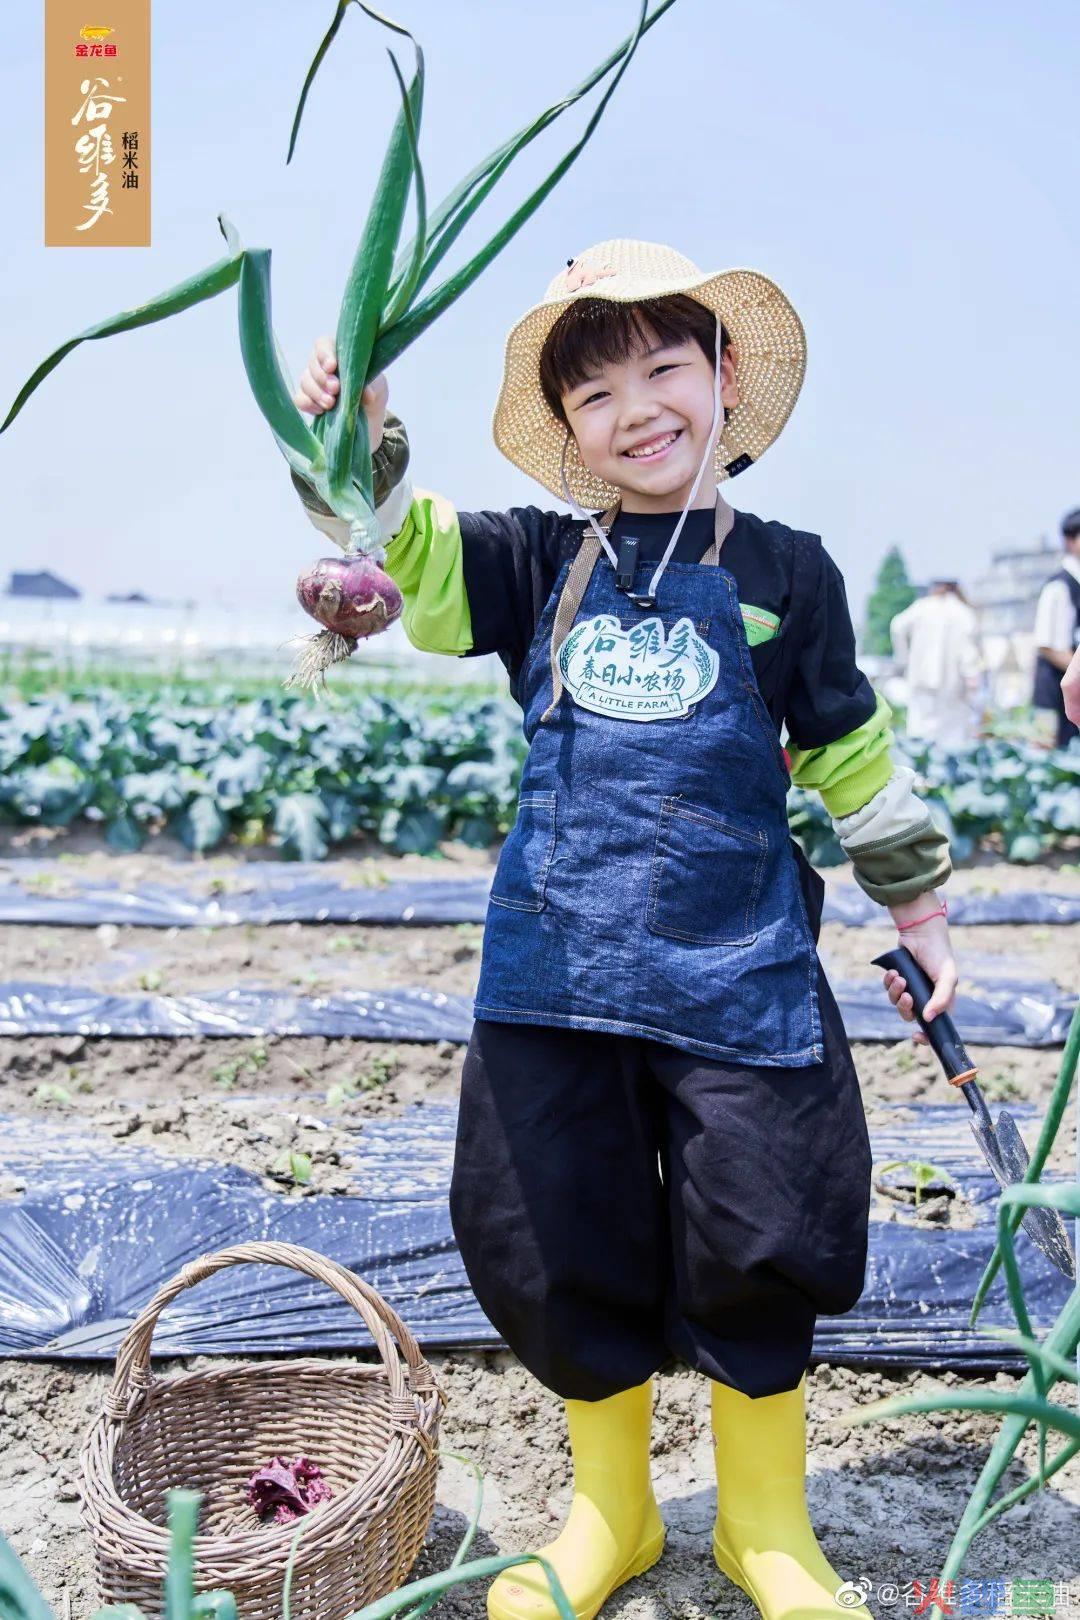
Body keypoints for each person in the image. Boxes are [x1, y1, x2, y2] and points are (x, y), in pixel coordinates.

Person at [290, 241, 958, 1620]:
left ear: (723, 379)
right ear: (569, 430)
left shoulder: (793, 571)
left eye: (665, 367)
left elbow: (851, 754)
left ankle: (767, 1527)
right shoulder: (536, 559)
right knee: (557, 1232)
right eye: (596, 390)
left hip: (739, 970)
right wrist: (362, 437)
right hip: (556, 969)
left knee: (767, 1223)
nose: (638, 407)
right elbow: (410, 559)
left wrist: (924, 911)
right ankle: (615, 1513)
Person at [888, 580, 983, 747]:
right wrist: (972, 675)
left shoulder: (921, 607)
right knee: (953, 739)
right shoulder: (963, 612)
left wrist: (903, 658)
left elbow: (897, 626)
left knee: (919, 734)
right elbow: (968, 650)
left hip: (920, 678)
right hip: (953, 684)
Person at [1032, 508, 1080, 747]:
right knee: (1044, 767)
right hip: (1051, 696)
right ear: (1070, 541)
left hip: (1073, 692)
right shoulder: (1058, 587)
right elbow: (1047, 646)